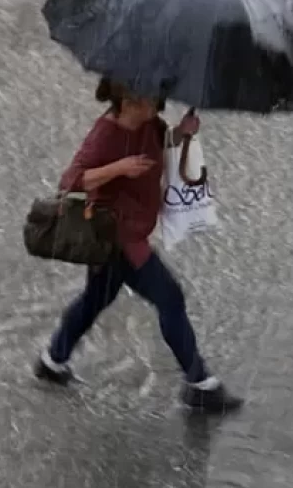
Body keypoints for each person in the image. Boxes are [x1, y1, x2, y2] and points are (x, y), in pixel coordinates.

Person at [34, 78, 243, 414]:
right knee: (170, 297)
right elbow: (72, 180)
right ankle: (200, 383)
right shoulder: (106, 133)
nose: (157, 104)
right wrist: (120, 168)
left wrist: (185, 134)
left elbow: (169, 153)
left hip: (132, 233)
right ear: (126, 99)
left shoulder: (152, 127)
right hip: (117, 239)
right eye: (150, 99)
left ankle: (52, 360)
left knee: (95, 300)